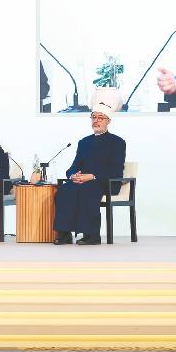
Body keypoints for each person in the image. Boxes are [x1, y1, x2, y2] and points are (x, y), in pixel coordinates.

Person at [53, 89, 126, 245]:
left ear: (108, 121)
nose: (96, 121)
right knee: (64, 191)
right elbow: (74, 166)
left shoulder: (117, 142)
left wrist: (92, 176)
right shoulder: (84, 142)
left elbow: (115, 169)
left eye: (101, 118)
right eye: (94, 117)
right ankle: (64, 233)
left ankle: (92, 235)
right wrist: (73, 175)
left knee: (88, 190)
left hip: (106, 182)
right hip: (83, 181)